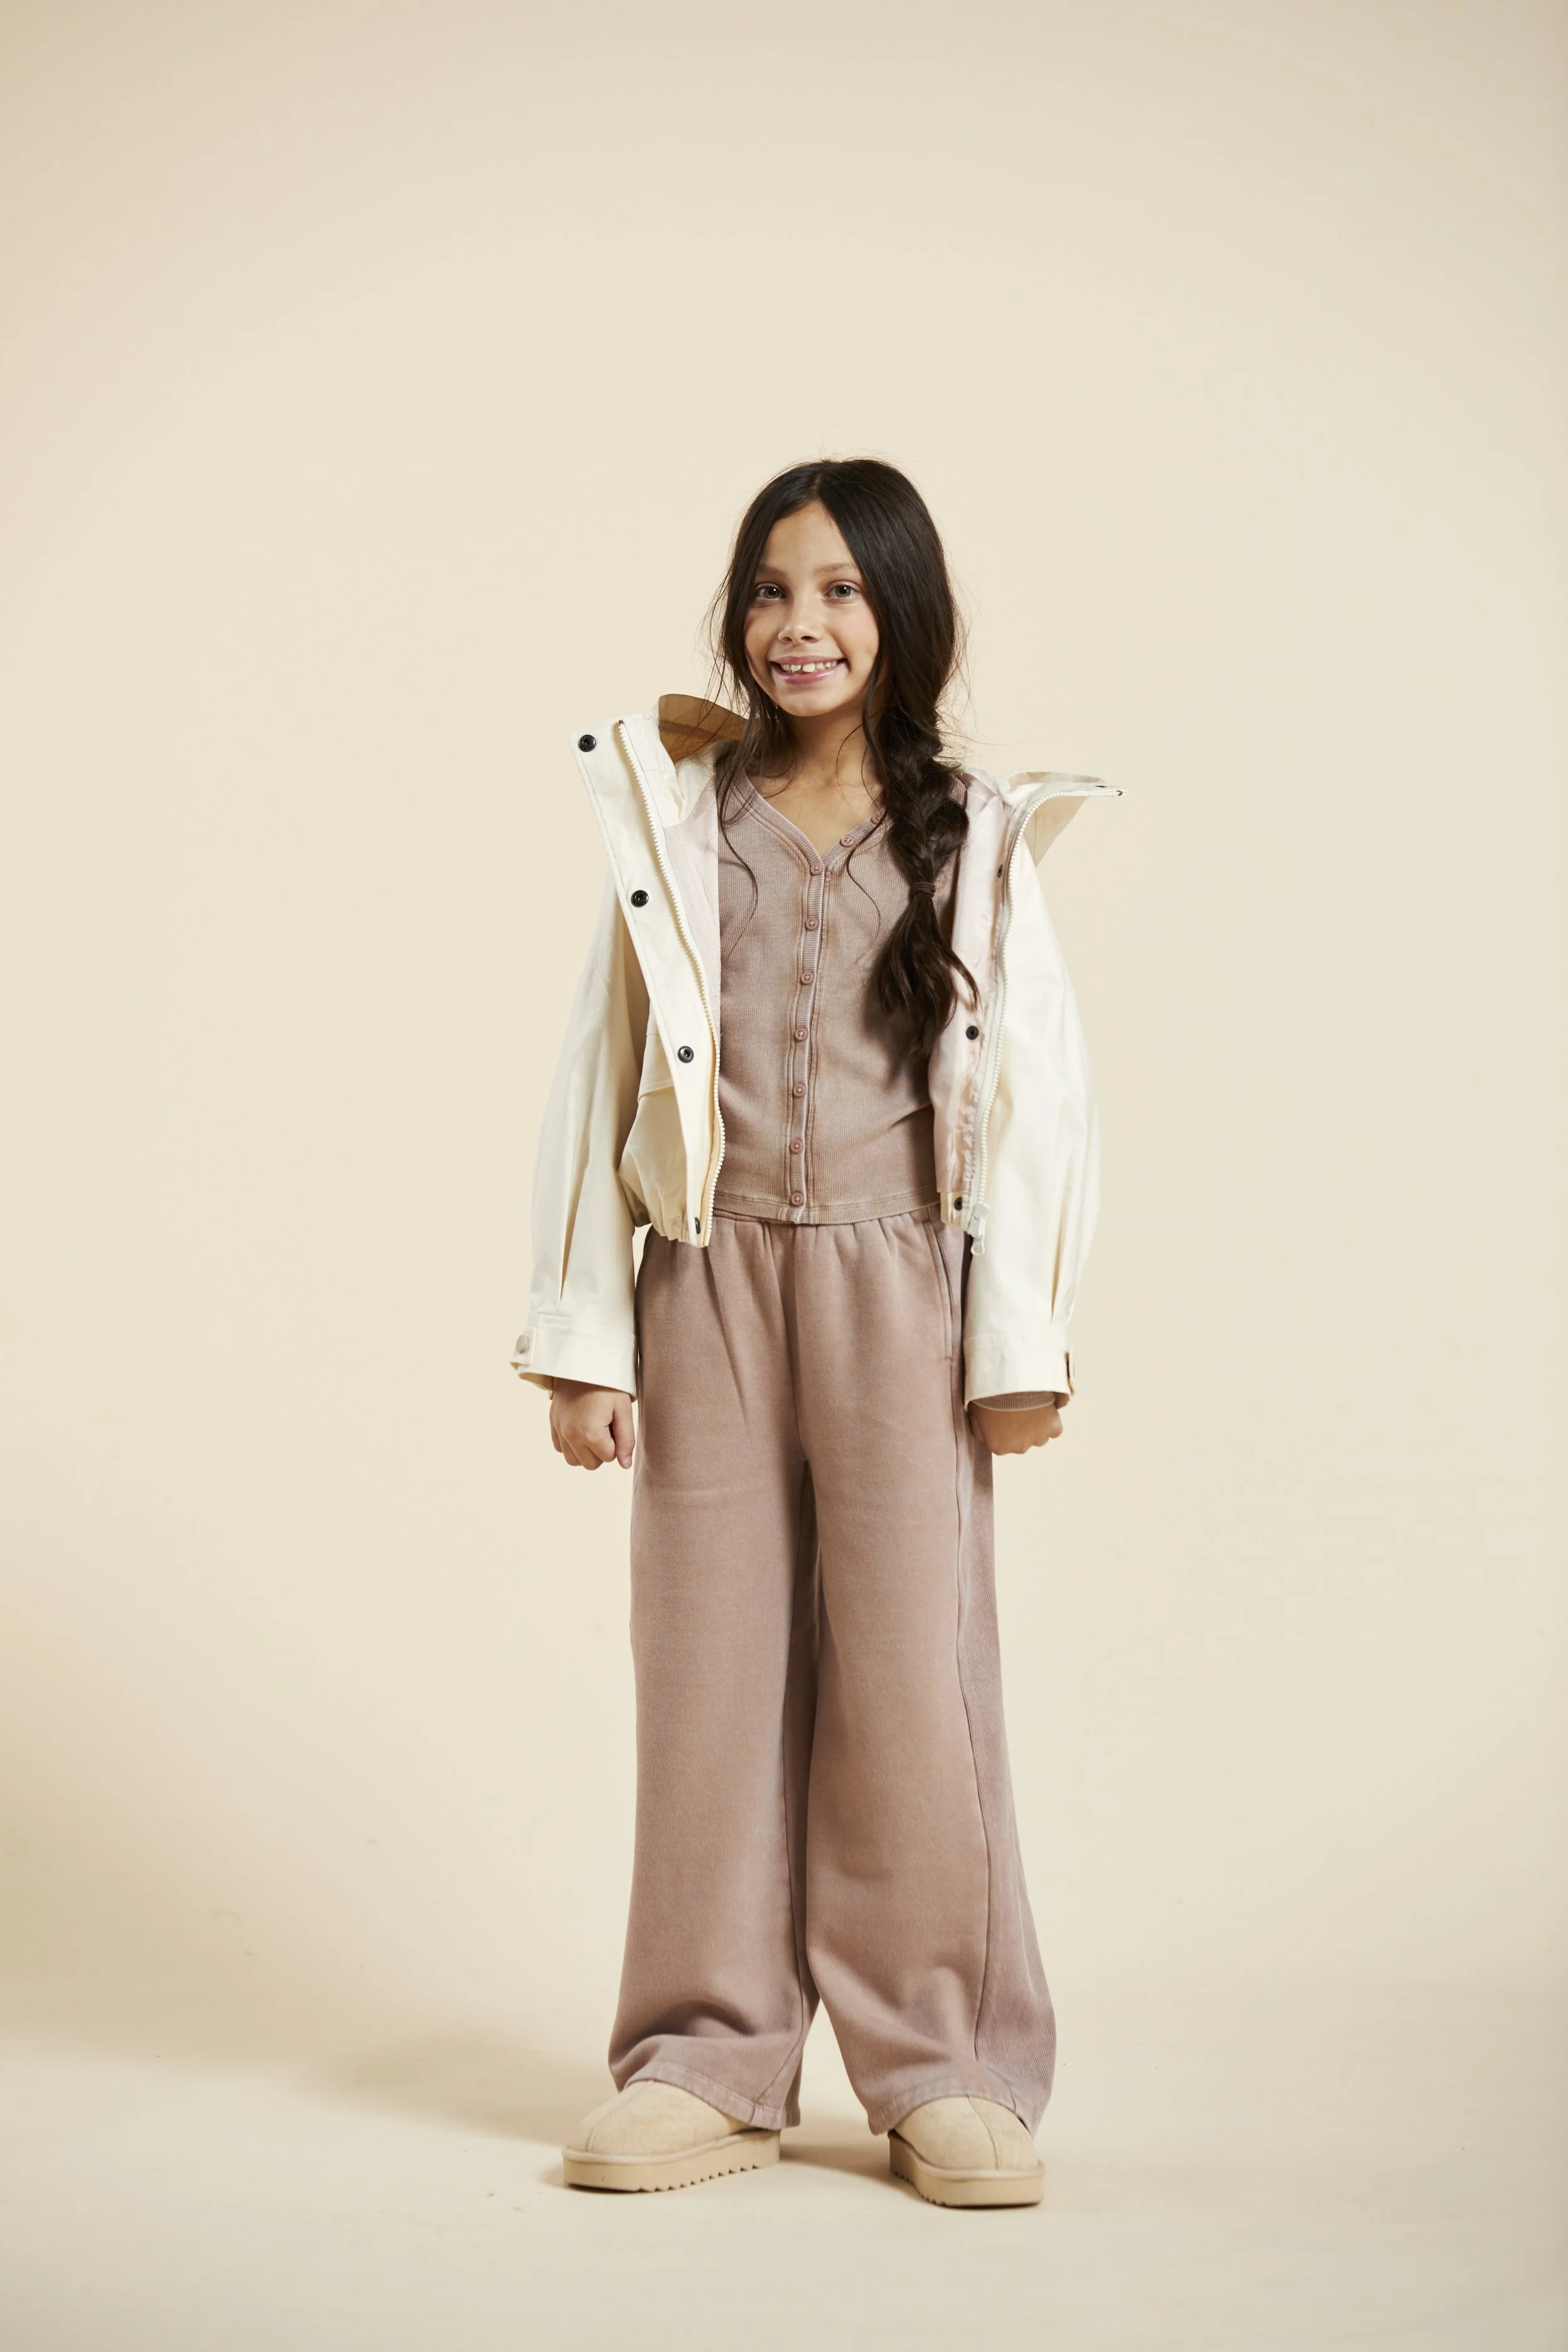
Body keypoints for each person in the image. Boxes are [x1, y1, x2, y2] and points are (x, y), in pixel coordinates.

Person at [512, 458, 1117, 2207]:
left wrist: (1019, 1346)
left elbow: (1041, 1107)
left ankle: (938, 2054)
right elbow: (596, 1072)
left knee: (914, 1684)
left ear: (900, 616)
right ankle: (706, 2050)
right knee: (702, 1673)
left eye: (842, 590)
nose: (801, 623)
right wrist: (582, 1333)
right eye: (774, 589)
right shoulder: (676, 825)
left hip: (900, 1293)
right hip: (703, 1283)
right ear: (739, 614)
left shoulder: (972, 835)